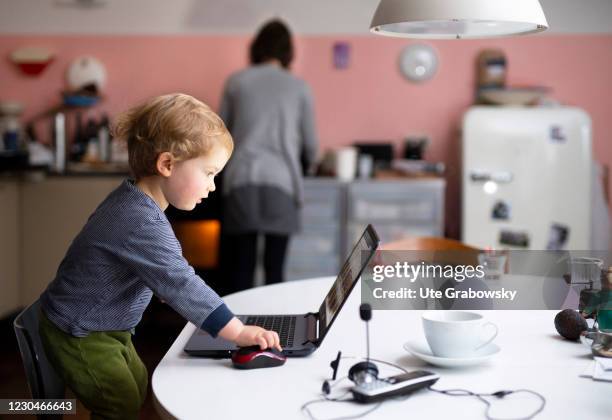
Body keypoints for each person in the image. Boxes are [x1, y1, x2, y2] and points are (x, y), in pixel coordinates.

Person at [37, 93, 281, 420]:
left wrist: (168, 286)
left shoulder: (134, 201)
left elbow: (166, 272)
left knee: (137, 384)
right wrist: (237, 332)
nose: (212, 186)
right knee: (119, 400)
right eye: (208, 173)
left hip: (107, 325)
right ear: (167, 164)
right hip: (79, 329)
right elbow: (180, 282)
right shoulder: (141, 220)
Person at [219, 19, 318, 293]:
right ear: (288, 51)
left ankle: (237, 332)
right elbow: (311, 146)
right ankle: (272, 333)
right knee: (275, 269)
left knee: (240, 268)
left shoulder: (236, 82)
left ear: (257, 47)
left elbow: (218, 135)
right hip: (282, 183)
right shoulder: (299, 87)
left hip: (241, 180)